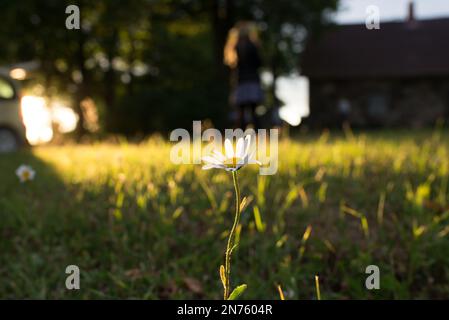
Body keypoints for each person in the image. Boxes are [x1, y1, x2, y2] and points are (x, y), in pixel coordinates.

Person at [224, 22, 263, 130]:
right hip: (252, 81)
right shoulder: (253, 46)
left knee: (240, 113)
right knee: (253, 112)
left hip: (241, 82)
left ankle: (239, 136)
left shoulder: (234, 48)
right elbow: (259, 63)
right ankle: (259, 136)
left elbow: (232, 67)